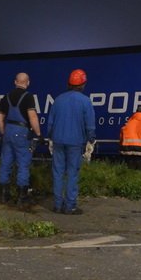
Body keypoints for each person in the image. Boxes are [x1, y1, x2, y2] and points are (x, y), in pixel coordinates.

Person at [48, 68, 96, 215]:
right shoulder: (85, 101)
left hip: (58, 140)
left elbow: (50, 123)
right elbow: (90, 124)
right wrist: (91, 139)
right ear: (83, 84)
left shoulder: (58, 99)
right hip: (75, 142)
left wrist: (50, 136)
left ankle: (57, 205)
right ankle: (70, 206)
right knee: (72, 173)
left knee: (57, 172)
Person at [0, 72, 42, 206]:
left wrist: (3, 132)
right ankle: (22, 197)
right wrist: (38, 134)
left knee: (5, 162)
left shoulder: (6, 97)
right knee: (23, 163)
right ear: (27, 83)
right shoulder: (28, 97)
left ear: (15, 82)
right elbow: (32, 117)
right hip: (22, 132)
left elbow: (0, 118)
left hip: (8, 131)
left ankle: (4, 195)